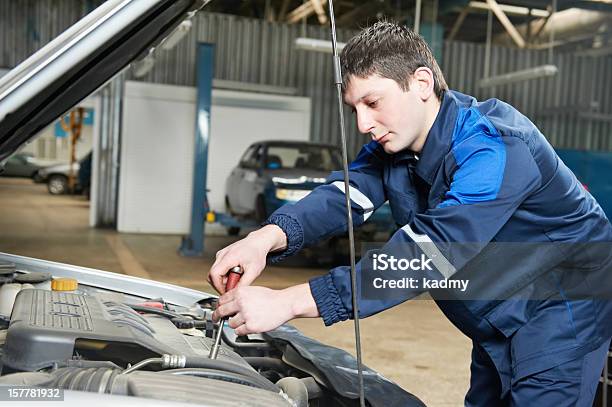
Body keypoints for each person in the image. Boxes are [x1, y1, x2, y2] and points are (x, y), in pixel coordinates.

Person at [208, 21, 612, 406]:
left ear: (421, 83)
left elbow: (429, 254)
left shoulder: (495, 147)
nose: (364, 123)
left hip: (561, 313)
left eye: (373, 102)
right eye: (355, 109)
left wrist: (291, 301)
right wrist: (263, 239)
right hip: (495, 314)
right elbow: (343, 195)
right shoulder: (397, 149)